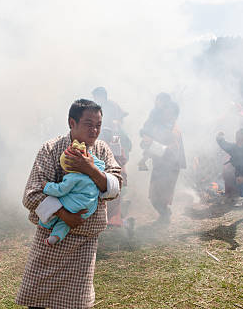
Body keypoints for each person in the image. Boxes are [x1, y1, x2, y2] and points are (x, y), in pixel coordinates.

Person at [16, 99, 122, 309]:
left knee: (73, 285)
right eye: (88, 124)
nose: (94, 131)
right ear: (71, 123)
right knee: (36, 284)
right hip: (51, 232)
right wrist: (64, 214)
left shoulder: (102, 151)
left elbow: (115, 186)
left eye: (98, 125)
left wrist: (89, 169)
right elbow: (31, 194)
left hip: (86, 236)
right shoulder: (51, 149)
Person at [40, 139, 105, 245]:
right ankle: (55, 237)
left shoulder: (73, 177)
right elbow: (100, 163)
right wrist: (89, 155)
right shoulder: (94, 170)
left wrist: (46, 186)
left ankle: (44, 224)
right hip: (88, 208)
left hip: (74, 204)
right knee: (65, 224)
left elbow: (60, 190)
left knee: (56, 205)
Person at [139, 93, 186, 224]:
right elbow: (150, 140)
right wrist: (145, 155)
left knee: (161, 198)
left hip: (170, 168)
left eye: (169, 112)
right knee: (153, 197)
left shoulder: (174, 130)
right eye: (165, 111)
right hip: (159, 165)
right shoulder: (160, 125)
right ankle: (165, 215)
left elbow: (171, 151)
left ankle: (165, 216)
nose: (165, 113)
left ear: (174, 114)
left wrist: (151, 144)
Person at [92, 87, 133, 228]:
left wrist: (118, 158)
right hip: (101, 158)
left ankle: (119, 217)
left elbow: (122, 146)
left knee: (119, 183)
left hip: (115, 156)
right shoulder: (93, 111)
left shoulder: (115, 126)